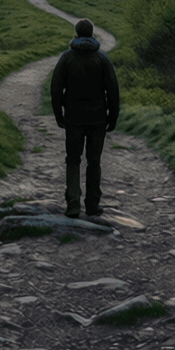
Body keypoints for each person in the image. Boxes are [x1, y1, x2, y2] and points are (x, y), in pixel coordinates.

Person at [50, 17, 120, 219]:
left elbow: (55, 89)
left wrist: (58, 114)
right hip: (98, 119)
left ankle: (73, 205)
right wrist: (112, 118)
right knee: (94, 161)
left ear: (76, 34)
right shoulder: (102, 59)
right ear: (92, 34)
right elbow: (113, 92)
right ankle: (92, 206)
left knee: (73, 160)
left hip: (73, 118)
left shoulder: (66, 58)